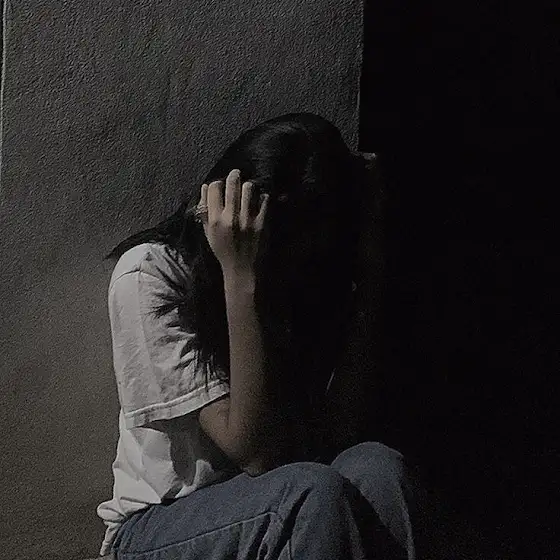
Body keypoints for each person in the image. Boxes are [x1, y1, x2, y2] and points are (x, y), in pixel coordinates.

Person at [96, 113, 426, 559]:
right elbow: (250, 450)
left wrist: (369, 272)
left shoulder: (299, 276)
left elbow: (339, 430)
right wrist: (239, 274)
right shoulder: (149, 273)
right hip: (157, 528)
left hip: (282, 494)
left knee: (379, 468)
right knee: (308, 492)